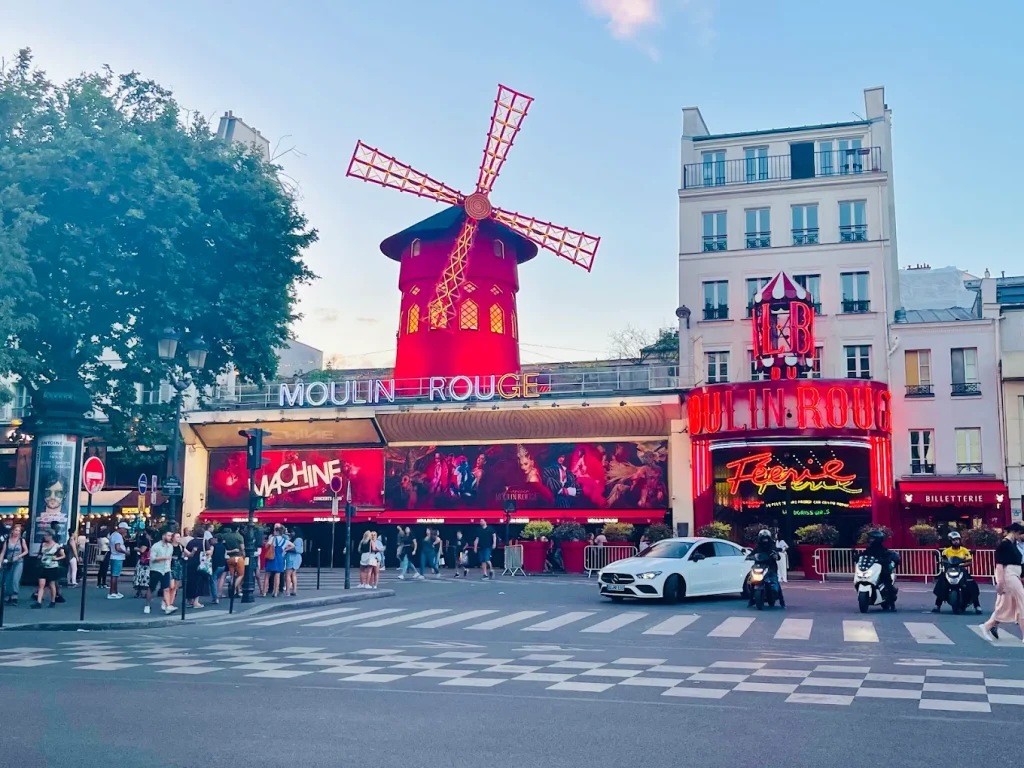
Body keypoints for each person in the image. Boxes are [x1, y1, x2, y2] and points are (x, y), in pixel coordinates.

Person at [981, 523, 1024, 642]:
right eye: (1020, 534)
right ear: (1015, 532)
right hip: (1009, 574)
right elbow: (999, 565)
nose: (1021, 536)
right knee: (1021, 602)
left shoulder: (1011, 544)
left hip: (1013, 574)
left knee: (1007, 604)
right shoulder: (1005, 544)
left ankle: (988, 625)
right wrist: (1000, 582)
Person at [933, 530, 981, 614]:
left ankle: (977, 606)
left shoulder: (964, 550)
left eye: (957, 539)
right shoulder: (946, 551)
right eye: (954, 540)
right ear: (950, 541)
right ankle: (937, 605)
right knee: (941, 583)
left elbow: (969, 561)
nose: (956, 541)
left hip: (961, 569)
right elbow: (943, 560)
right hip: (949, 569)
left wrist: (963, 564)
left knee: (971, 583)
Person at [747, 529, 784, 608]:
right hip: (759, 566)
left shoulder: (772, 545)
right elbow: (752, 553)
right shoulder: (758, 546)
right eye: (763, 538)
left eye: (766, 538)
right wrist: (749, 557)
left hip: (770, 567)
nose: (765, 540)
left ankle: (782, 602)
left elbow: (778, 556)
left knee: (775, 582)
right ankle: (750, 601)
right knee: (752, 581)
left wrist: (775, 555)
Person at [861, 529, 897, 601]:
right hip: (871, 568)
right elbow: (864, 554)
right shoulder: (869, 549)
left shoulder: (883, 549)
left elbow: (888, 555)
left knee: (887, 580)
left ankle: (891, 602)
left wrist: (887, 559)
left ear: (877, 539)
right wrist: (857, 557)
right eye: (870, 538)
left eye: (872, 538)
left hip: (882, 569)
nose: (870, 540)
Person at [33, 529, 65, 608]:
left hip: (52, 567)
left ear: (51, 536)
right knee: (41, 584)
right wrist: (39, 557)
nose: (45, 537)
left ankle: (53, 600)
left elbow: (63, 555)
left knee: (51, 584)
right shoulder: (43, 545)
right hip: (43, 566)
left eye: (46, 535)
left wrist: (56, 558)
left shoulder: (57, 546)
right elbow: (40, 553)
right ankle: (38, 602)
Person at [148, 530, 174, 615]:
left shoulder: (170, 546)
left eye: (171, 536)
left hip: (166, 569)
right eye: (169, 535)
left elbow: (169, 558)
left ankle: (168, 606)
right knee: (152, 588)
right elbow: (152, 558)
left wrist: (169, 567)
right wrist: (164, 558)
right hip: (156, 569)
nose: (170, 537)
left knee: (166, 588)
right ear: (163, 536)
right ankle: (147, 605)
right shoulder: (156, 546)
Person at [1, 523, 28, 605]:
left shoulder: (21, 540)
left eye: (19, 531)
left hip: (18, 561)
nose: (17, 532)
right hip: (9, 561)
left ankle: (14, 596)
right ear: (12, 531)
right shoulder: (7, 540)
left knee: (15, 579)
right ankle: (7, 596)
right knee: (7, 579)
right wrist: (0, 562)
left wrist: (19, 556)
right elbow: (3, 552)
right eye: (16, 530)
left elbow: (26, 551)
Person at [220, 525, 245, 597]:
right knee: (241, 575)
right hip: (238, 557)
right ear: (238, 528)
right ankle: (233, 588)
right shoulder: (239, 536)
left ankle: (235, 589)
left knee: (233, 575)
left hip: (229, 558)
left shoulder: (226, 536)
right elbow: (242, 548)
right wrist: (244, 556)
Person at [263, 524, 288, 597]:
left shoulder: (272, 538)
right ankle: (276, 592)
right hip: (280, 558)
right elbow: (292, 545)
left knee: (267, 575)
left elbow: (266, 546)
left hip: (272, 557)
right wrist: (285, 550)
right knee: (277, 575)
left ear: (277, 532)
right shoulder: (284, 540)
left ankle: (264, 592)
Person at [107, 522, 128, 599]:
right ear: (121, 528)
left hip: (115, 556)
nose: (126, 531)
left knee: (115, 575)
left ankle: (115, 591)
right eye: (125, 529)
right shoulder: (118, 536)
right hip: (117, 557)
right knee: (114, 575)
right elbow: (117, 547)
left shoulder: (114, 535)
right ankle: (112, 592)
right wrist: (125, 552)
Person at [132, 530, 151, 599]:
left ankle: (139, 592)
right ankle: (146, 592)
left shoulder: (145, 541)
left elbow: (142, 550)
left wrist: (136, 548)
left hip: (144, 560)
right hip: (149, 560)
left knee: (140, 576)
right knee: (147, 577)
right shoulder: (151, 542)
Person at [210, 532, 228, 604]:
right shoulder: (223, 547)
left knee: (213, 581)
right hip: (222, 565)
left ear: (216, 539)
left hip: (215, 565)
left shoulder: (213, 546)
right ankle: (218, 593)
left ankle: (215, 598)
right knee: (217, 579)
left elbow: (210, 555)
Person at [285, 527, 303, 596]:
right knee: (293, 574)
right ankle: (294, 590)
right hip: (295, 558)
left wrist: (287, 549)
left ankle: (288, 591)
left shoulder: (297, 539)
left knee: (288, 574)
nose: (292, 533)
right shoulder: (298, 539)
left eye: (293, 532)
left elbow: (297, 549)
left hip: (292, 558)